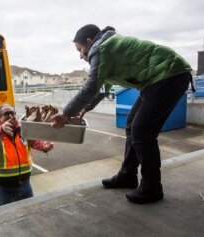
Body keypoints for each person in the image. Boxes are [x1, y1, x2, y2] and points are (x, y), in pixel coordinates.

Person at [51, 24, 192, 204]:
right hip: (158, 80)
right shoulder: (105, 48)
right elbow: (103, 87)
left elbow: (90, 86)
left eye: (80, 49)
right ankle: (128, 175)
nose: (80, 55)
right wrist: (85, 109)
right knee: (132, 125)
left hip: (169, 74)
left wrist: (65, 114)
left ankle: (152, 187)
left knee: (142, 131)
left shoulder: (101, 49)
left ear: (89, 41)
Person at [0, 104, 54, 206]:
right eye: (6, 113)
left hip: (25, 183)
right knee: (8, 216)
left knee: (28, 212)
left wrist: (44, 146)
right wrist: (1, 129)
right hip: (3, 187)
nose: (11, 116)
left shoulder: (22, 129)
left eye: (13, 113)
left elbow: (33, 142)